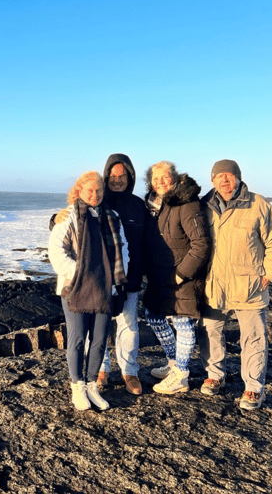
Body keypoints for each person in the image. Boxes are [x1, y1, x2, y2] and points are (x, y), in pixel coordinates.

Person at [49, 154, 148, 396]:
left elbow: (140, 242)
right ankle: (99, 372)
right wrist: (54, 218)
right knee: (94, 332)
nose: (117, 180)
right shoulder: (88, 207)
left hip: (126, 278)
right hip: (91, 282)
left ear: (130, 177)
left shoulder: (137, 205)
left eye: (122, 176)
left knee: (128, 326)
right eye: (112, 176)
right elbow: (61, 239)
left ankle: (129, 372)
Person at [197, 160, 272, 410]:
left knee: (254, 338)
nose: (224, 180)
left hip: (250, 285)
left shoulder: (258, 204)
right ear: (212, 180)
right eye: (219, 176)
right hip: (213, 284)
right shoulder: (203, 206)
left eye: (229, 176)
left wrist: (269, 273)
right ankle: (215, 376)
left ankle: (253, 388)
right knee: (210, 333)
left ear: (238, 178)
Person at [48, 171, 128, 411]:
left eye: (99, 190)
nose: (95, 195)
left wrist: (113, 281)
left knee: (100, 340)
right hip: (75, 288)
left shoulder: (112, 217)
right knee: (77, 339)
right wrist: (82, 275)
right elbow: (56, 251)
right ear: (79, 191)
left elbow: (123, 252)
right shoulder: (68, 218)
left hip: (105, 288)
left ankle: (92, 385)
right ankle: (77, 387)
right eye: (90, 190)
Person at [143, 161, 211, 395]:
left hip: (183, 275)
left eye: (164, 177)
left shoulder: (186, 202)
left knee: (182, 322)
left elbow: (201, 243)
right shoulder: (153, 204)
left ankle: (181, 375)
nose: (160, 182)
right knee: (153, 316)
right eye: (155, 178)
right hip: (159, 275)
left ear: (174, 177)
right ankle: (173, 363)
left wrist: (182, 274)